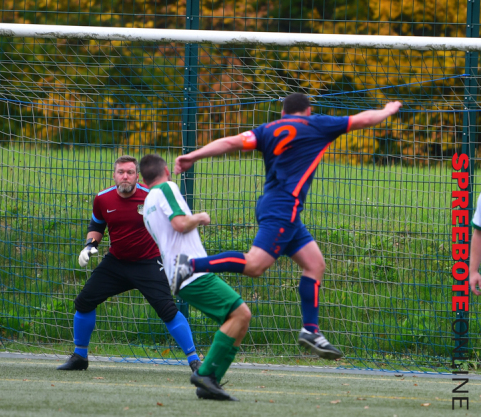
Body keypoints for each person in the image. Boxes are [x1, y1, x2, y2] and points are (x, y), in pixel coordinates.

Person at [172, 93, 402, 360]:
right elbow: (362, 119)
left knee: (315, 264)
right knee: (255, 265)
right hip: (283, 208)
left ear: (283, 113)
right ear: (308, 110)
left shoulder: (268, 129)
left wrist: (193, 156)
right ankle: (190, 265)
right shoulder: (316, 125)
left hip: (279, 207)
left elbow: (230, 142)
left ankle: (311, 330)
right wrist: (387, 110)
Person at [57, 155, 201, 372]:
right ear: (114, 175)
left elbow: (176, 222)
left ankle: (195, 361)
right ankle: (80, 357)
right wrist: (90, 245)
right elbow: (97, 225)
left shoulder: (152, 197)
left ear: (137, 176)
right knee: (84, 302)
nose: (125, 176)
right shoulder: (102, 199)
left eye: (130, 172)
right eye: (121, 172)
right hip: (117, 262)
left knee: (168, 310)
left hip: (149, 262)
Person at [140, 154, 251, 401]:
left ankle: (209, 381)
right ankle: (205, 374)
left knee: (237, 319)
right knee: (241, 314)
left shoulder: (147, 202)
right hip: (190, 271)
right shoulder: (166, 188)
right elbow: (180, 223)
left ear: (142, 178)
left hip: (180, 274)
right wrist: (201, 216)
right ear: (166, 171)